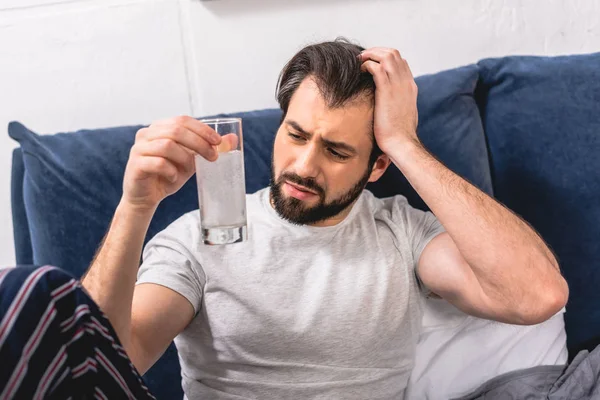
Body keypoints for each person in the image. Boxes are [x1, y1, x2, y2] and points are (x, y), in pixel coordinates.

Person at [0, 39, 570, 399]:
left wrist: (406, 142)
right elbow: (103, 366)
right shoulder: (200, 238)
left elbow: (537, 294)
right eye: (295, 134)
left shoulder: (400, 230)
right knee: (32, 297)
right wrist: (135, 205)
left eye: (338, 152)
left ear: (376, 167)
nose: (303, 164)